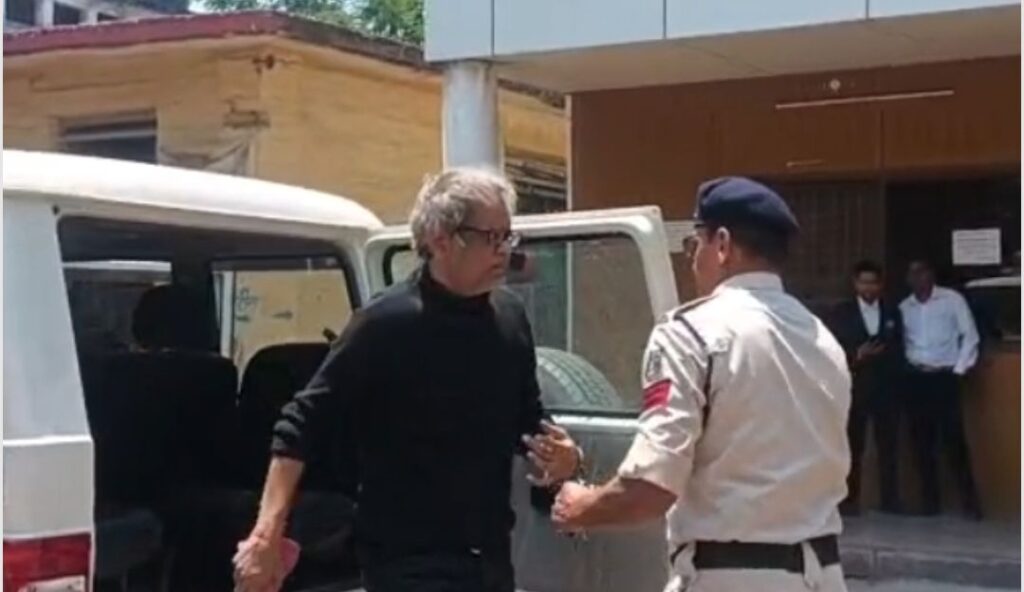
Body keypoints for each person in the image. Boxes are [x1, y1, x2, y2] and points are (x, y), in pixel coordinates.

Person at [232, 168, 583, 592]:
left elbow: (528, 421)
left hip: (489, 559)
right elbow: (301, 424)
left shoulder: (509, 318)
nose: (504, 251)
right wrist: (266, 535)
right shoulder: (385, 323)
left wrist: (565, 461)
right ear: (440, 240)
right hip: (407, 563)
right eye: (490, 237)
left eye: (508, 236)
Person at [551, 177, 851, 592]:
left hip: (731, 577)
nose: (692, 260)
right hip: (824, 576)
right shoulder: (822, 338)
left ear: (722, 244)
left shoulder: (692, 333)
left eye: (694, 245)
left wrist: (580, 505)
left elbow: (651, 487)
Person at [900, 259, 981, 519]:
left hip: (945, 377)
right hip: (916, 378)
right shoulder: (904, 308)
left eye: (922, 272)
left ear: (932, 275)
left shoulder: (952, 300)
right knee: (921, 442)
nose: (918, 278)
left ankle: (971, 503)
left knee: (954, 441)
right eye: (913, 274)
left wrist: (959, 369)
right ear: (908, 279)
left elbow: (970, 335)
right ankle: (929, 502)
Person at [829, 260, 904, 516]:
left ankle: (890, 500)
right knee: (853, 445)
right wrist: (856, 356)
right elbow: (832, 348)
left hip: (886, 388)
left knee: (888, 445)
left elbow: (900, 346)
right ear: (855, 284)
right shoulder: (842, 313)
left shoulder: (892, 311)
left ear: (880, 285)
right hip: (855, 387)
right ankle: (849, 501)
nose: (868, 288)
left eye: (873, 282)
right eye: (864, 282)